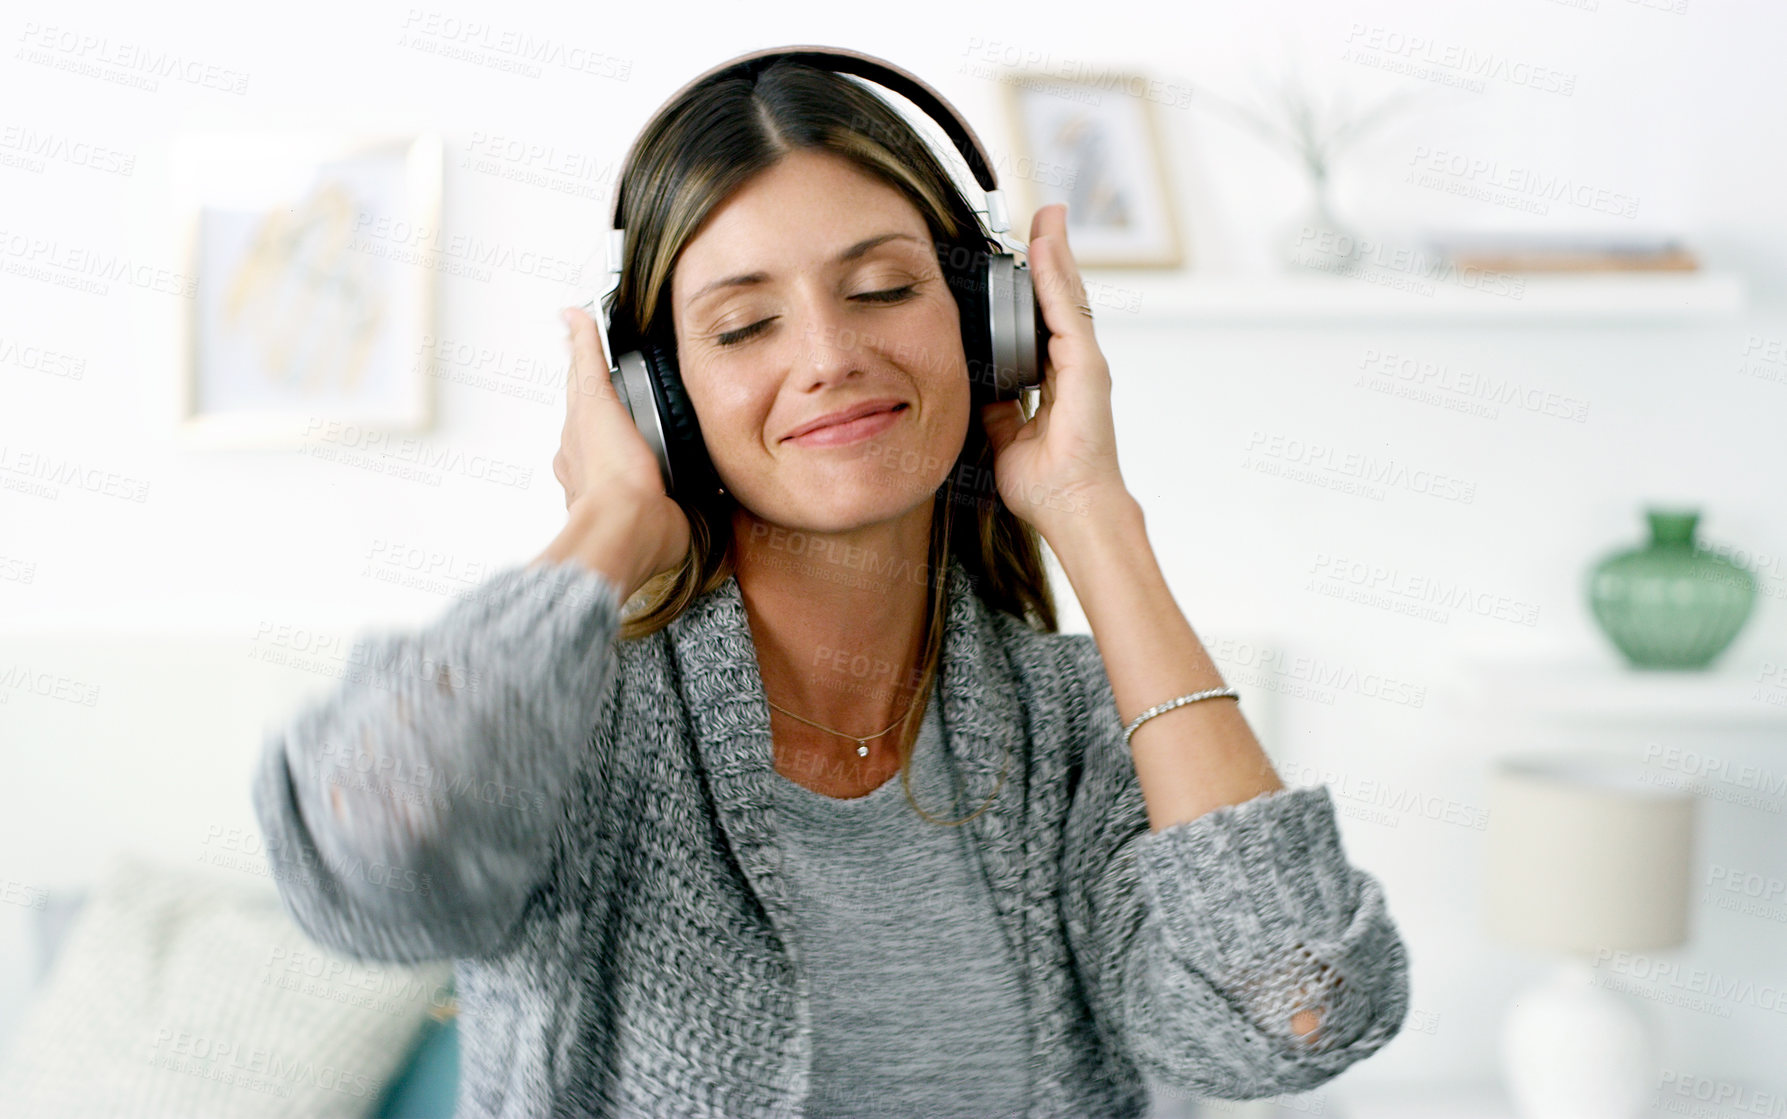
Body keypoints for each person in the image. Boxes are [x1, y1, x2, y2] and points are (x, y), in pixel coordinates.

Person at [251, 53, 1410, 1119]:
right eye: (744, 323)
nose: (826, 357)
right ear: (659, 399)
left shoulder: (1071, 737)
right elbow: (368, 854)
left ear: (989, 327)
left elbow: (1293, 1014)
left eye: (881, 290)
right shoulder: (576, 723)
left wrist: (1094, 516)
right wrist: (608, 524)